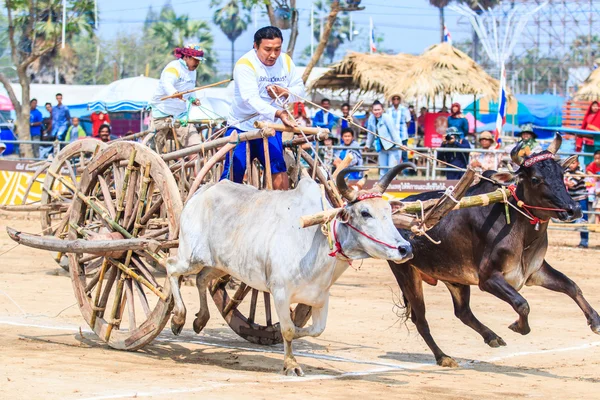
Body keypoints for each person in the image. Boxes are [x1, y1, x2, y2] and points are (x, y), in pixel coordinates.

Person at [220, 26, 305, 190]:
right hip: (241, 126)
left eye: (277, 49)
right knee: (234, 171)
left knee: (278, 167)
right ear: (255, 46)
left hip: (270, 127)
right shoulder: (245, 64)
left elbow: (300, 90)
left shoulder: (286, 61)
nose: (273, 55)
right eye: (267, 49)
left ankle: (283, 207)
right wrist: (279, 112)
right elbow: (250, 98)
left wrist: (285, 93)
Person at [149, 43, 204, 152]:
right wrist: (175, 92)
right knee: (154, 150)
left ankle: (197, 167)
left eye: (199, 60)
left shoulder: (193, 71)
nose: (197, 63)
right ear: (186, 57)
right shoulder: (173, 67)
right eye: (195, 59)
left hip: (180, 116)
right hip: (162, 113)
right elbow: (166, 83)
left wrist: (193, 99)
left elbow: (190, 89)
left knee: (196, 146)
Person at [365, 100, 401, 178]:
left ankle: (392, 188)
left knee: (392, 170)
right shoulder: (371, 119)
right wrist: (368, 145)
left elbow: (393, 131)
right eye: (375, 110)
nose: (377, 112)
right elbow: (370, 133)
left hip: (392, 147)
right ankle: (381, 189)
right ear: (372, 110)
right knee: (382, 169)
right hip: (381, 147)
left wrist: (399, 144)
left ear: (382, 110)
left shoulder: (386, 117)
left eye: (378, 109)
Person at [565, 158, 590, 248]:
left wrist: (564, 181)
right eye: (570, 163)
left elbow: (572, 183)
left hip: (581, 198)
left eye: (573, 163)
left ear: (578, 163)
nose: (571, 165)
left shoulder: (580, 171)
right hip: (571, 198)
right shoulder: (567, 171)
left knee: (583, 220)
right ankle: (576, 222)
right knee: (569, 216)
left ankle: (584, 242)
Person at [387, 95, 411, 162]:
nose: (396, 100)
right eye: (394, 98)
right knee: (392, 154)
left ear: (400, 100)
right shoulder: (389, 111)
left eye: (397, 98)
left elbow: (408, 121)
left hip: (402, 136)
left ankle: (405, 171)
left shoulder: (405, 110)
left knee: (404, 155)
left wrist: (403, 129)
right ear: (392, 100)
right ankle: (393, 170)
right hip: (392, 137)